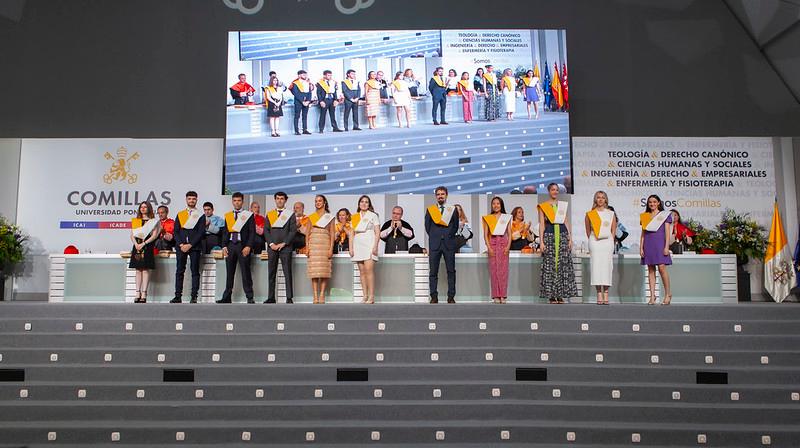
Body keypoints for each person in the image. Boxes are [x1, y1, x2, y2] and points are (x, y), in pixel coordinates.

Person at [538, 183, 577, 304]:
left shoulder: (562, 206)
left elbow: (566, 221)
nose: (555, 192)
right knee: (550, 265)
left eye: (557, 190)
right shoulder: (543, 206)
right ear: (549, 191)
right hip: (549, 235)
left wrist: (570, 238)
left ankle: (560, 294)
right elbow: (542, 224)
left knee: (562, 265)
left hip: (562, 234)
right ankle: (551, 295)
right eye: (553, 190)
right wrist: (541, 242)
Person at [217, 192, 256, 304]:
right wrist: (224, 246)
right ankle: (227, 297)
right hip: (230, 245)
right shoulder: (228, 215)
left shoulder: (248, 215)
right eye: (235, 200)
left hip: (242, 246)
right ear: (232, 202)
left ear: (242, 202)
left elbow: (252, 232)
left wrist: (248, 246)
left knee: (245, 272)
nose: (237, 202)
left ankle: (249, 296)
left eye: (239, 200)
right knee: (229, 272)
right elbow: (225, 232)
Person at [171, 191, 206, 304]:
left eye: (193, 199)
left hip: (194, 246)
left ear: (197, 200)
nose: (191, 200)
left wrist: (190, 244)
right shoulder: (180, 214)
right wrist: (181, 244)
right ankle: (177, 296)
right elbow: (175, 231)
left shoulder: (200, 215)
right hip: (181, 246)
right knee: (179, 271)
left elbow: (201, 232)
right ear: (186, 200)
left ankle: (194, 296)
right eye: (189, 198)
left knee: (195, 271)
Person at [425, 186, 459, 303]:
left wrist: (447, 235)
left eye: (442, 194)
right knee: (433, 272)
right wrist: (436, 236)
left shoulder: (452, 209)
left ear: (446, 195)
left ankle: (451, 296)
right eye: (438, 194)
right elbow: (427, 227)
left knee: (451, 271)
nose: (440, 196)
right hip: (435, 245)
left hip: (449, 244)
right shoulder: (430, 210)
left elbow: (455, 226)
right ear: (436, 196)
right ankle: (434, 296)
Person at [584, 191, 617, 305]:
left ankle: (606, 292)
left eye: (603, 198)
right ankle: (598, 292)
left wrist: (611, 240)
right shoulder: (590, 214)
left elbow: (613, 229)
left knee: (607, 266)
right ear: (595, 200)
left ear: (606, 200)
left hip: (607, 242)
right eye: (598, 197)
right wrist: (593, 240)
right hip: (595, 242)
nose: (601, 199)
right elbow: (588, 230)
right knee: (596, 266)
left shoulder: (610, 213)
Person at [264, 191, 297, 304]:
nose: (279, 200)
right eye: (277, 198)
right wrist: (271, 244)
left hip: (286, 247)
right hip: (272, 247)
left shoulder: (290, 214)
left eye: (282, 198)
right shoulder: (270, 214)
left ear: (285, 200)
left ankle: (289, 297)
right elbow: (266, 231)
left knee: (287, 272)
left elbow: (293, 231)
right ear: (275, 200)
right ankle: (271, 297)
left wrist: (284, 243)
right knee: (271, 273)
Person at [640, 194, 673, 305]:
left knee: (662, 268)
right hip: (648, 244)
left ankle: (668, 294)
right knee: (650, 269)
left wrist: (666, 247)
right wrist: (641, 247)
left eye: (654, 202)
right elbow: (643, 233)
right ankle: (652, 296)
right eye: (650, 202)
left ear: (658, 202)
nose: (652, 204)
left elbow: (668, 233)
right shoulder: (645, 216)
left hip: (660, 244)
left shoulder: (664, 215)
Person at [348, 195, 380, 304]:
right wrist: (351, 248)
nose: (364, 203)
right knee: (362, 271)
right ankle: (365, 295)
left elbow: (377, 232)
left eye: (366, 202)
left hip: (369, 242)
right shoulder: (354, 217)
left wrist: (375, 246)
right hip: (358, 243)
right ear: (359, 204)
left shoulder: (373, 216)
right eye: (362, 201)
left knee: (369, 271)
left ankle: (371, 296)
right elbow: (351, 233)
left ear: (369, 204)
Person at [306, 195, 336, 304]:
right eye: (316, 201)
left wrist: (331, 248)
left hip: (325, 244)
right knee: (314, 272)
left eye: (320, 201)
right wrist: (307, 246)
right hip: (313, 245)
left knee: (324, 271)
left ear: (324, 203)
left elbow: (332, 233)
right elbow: (307, 233)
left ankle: (322, 295)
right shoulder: (311, 217)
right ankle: (315, 296)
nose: (318, 203)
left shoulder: (330, 217)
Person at [129, 201, 160, 303]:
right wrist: (136, 244)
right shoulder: (136, 221)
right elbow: (132, 235)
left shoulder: (153, 221)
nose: (143, 209)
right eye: (141, 207)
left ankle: (144, 293)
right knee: (138, 270)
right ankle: (137, 293)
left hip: (147, 246)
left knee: (145, 270)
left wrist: (144, 243)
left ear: (149, 209)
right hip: (137, 246)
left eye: (145, 207)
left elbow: (154, 235)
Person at [483, 197, 512, 304]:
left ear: (501, 205)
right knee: (494, 271)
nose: (496, 205)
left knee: (503, 271)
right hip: (493, 243)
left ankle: (503, 295)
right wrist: (489, 247)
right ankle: (495, 295)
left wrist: (508, 246)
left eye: (498, 203)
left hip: (503, 244)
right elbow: (485, 235)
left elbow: (509, 234)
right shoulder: (488, 218)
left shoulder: (507, 217)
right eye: (494, 203)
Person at [289, 70, 312, 135]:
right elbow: (296, 93)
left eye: (305, 74)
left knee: (305, 116)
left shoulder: (307, 82)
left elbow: (310, 92)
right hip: (298, 101)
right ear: (299, 75)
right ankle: (296, 130)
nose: (305, 76)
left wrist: (308, 101)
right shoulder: (295, 83)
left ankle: (305, 129)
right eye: (303, 74)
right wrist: (302, 101)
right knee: (297, 116)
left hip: (306, 101)